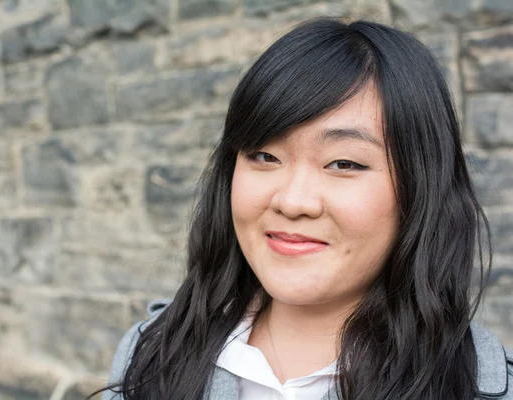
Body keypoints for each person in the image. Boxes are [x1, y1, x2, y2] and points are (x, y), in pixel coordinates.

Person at [95, 18, 513, 400]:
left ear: (420, 186)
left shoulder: (481, 387)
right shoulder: (150, 353)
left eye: (344, 163)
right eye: (264, 156)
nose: (292, 202)